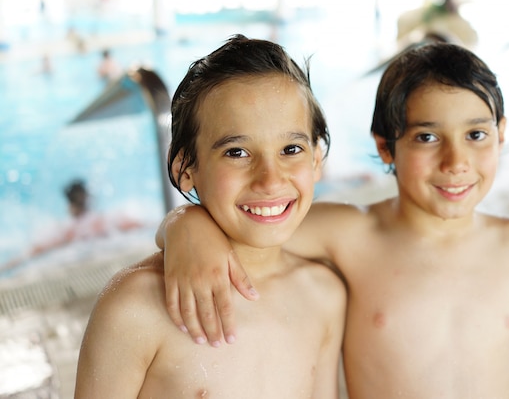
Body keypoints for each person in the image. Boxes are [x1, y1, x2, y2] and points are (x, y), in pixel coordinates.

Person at [156, 42, 509, 398]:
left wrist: (505, 344)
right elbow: (256, 222)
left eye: (476, 135)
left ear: (501, 134)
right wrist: (185, 225)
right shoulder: (351, 233)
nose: (456, 162)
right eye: (427, 137)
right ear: (386, 147)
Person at [75, 35, 346, 398]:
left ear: (316, 160)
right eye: (237, 152)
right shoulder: (134, 309)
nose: (270, 179)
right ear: (186, 167)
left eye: (291, 149)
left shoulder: (324, 296)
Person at [0, 179, 143, 273]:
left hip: (76, 260)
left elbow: (35, 252)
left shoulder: (67, 230)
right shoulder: (105, 220)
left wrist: (7, 266)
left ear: (69, 204)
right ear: (88, 198)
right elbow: (140, 225)